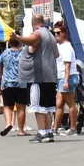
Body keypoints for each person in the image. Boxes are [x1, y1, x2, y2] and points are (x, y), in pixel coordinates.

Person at [19, 14, 58, 142]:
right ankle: (48, 132)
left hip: (38, 77)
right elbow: (57, 54)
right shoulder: (50, 35)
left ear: (33, 22)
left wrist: (17, 37)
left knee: (38, 107)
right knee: (47, 107)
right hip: (50, 76)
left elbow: (32, 40)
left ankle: (42, 133)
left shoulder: (37, 33)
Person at [52, 22, 79, 136]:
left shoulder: (67, 47)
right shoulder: (60, 46)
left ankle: (73, 129)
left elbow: (67, 66)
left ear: (64, 33)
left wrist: (66, 81)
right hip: (61, 78)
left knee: (70, 104)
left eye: (58, 33)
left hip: (67, 77)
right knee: (59, 104)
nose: (56, 35)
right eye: (54, 33)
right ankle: (55, 129)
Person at [0, 35, 26, 136]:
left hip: (7, 83)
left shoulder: (4, 53)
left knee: (7, 106)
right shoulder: (23, 53)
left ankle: (8, 124)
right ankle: (21, 130)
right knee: (21, 108)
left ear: (10, 43)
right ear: (19, 42)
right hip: (21, 83)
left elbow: (0, 70)